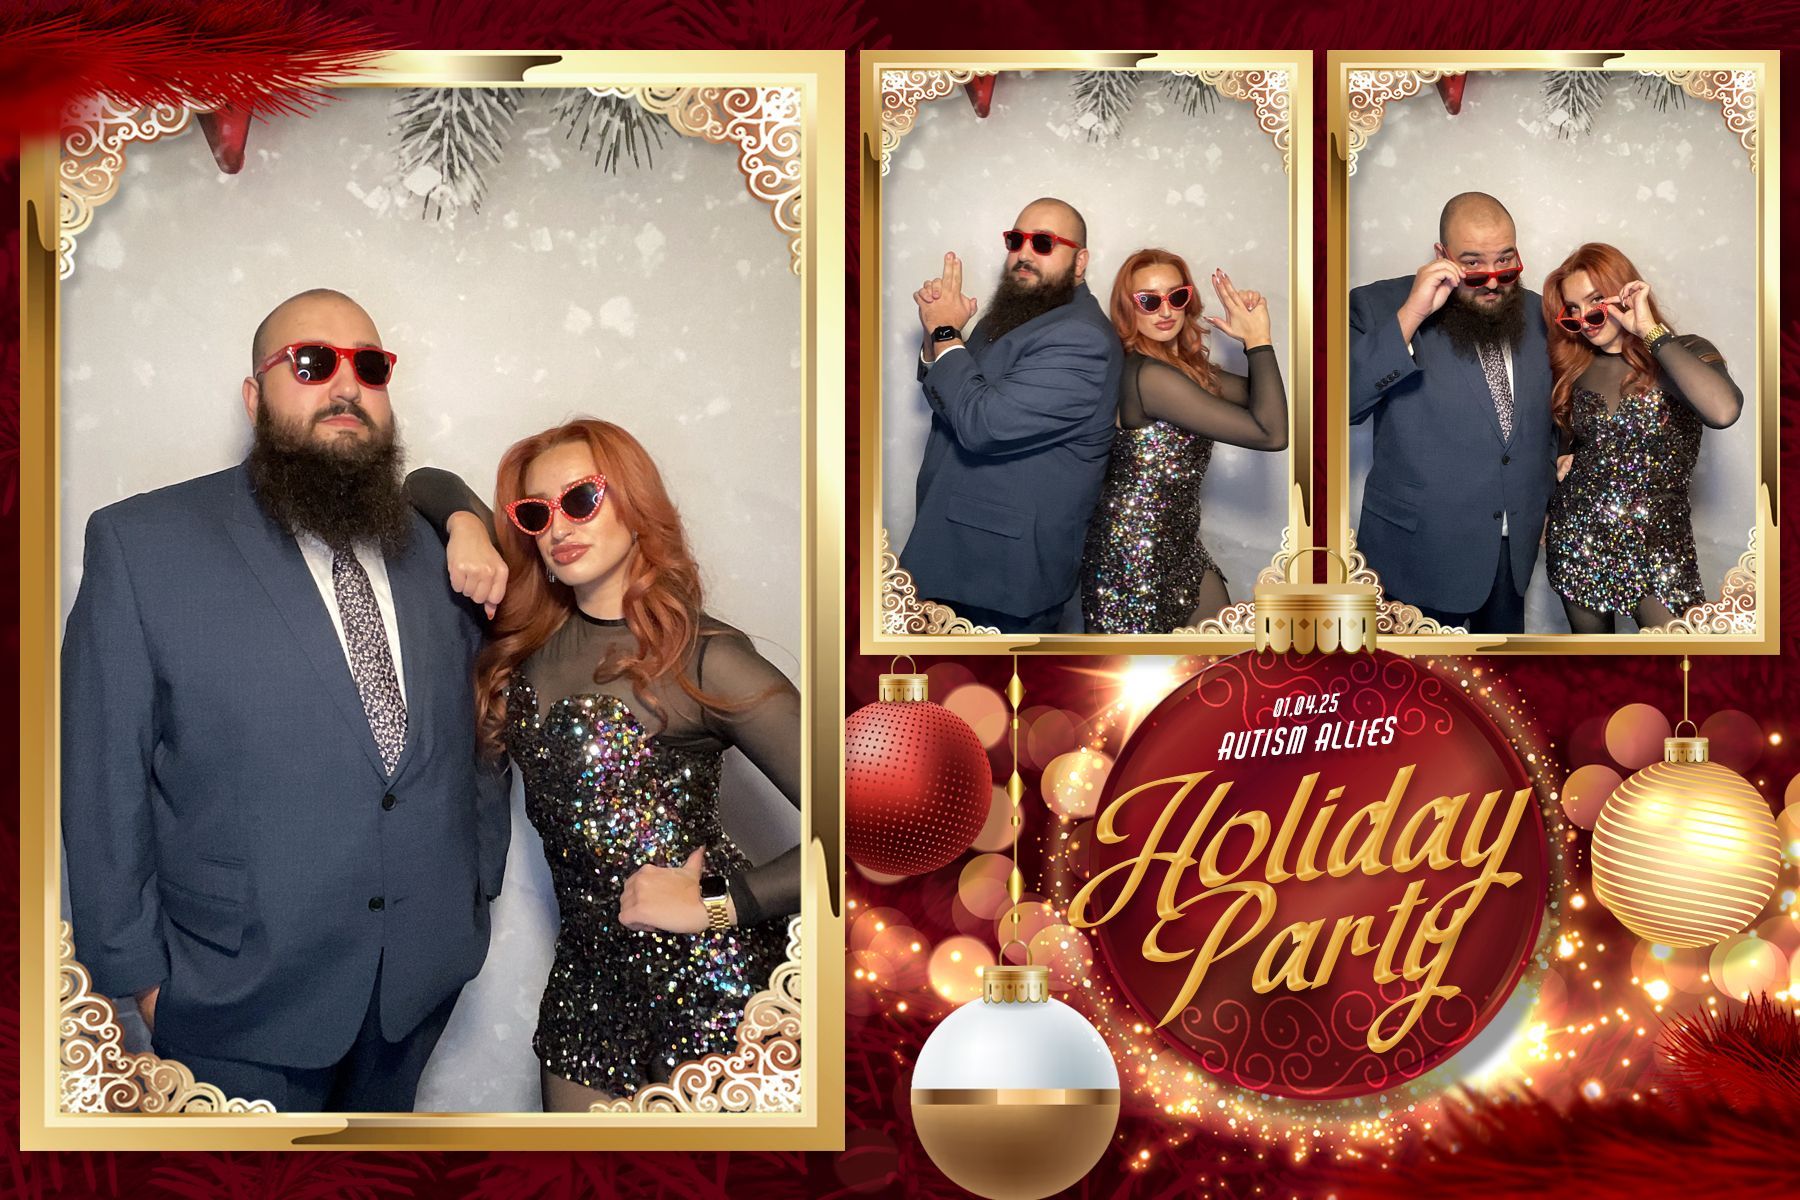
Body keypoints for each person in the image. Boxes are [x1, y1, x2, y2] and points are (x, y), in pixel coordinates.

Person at [60, 289, 511, 1112]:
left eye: (369, 366)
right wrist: (140, 981)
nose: (345, 386)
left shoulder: (438, 547)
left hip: (416, 984)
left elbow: (480, 729)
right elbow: (102, 781)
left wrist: (477, 887)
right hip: (234, 1003)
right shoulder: (142, 545)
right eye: (311, 363)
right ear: (253, 395)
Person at [405, 418, 801, 1112]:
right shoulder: (530, 633)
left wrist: (719, 904)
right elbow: (424, 483)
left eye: (581, 499)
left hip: (716, 995)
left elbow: (877, 829)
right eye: (536, 513)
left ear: (634, 501)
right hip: (587, 993)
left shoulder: (705, 657)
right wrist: (467, 526)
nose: (558, 526)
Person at [899, 196, 1123, 633]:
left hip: (1002, 577)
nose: (1024, 253)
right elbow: (952, 396)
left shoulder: (1082, 337)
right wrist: (936, 335)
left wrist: (947, 331)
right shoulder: (1017, 311)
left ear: (1080, 262)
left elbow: (982, 424)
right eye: (1015, 240)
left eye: (1043, 243)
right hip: (953, 552)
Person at [1349, 192, 1558, 634]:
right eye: (1473, 264)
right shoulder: (1380, 306)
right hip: (1415, 553)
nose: (1492, 280)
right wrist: (1413, 313)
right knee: (1409, 678)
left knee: (1499, 677)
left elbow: (1560, 406)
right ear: (1441, 255)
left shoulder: (1541, 312)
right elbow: (1340, 405)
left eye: (1505, 261)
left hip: (1508, 554)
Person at [1079, 250, 1287, 633]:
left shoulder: (1183, 370)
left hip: (1182, 545)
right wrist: (1259, 341)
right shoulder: (1149, 378)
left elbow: (1263, 400)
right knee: (1142, 672)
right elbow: (1270, 433)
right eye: (1148, 300)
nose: (1165, 311)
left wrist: (1252, 336)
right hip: (1133, 560)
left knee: (1216, 660)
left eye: (1176, 297)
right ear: (1127, 308)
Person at [1541, 243, 1743, 633]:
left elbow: (1723, 411)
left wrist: (1650, 332)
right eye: (1573, 309)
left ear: (1624, 291)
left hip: (1659, 548)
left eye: (1596, 300)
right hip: (1578, 538)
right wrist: (1562, 464)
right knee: (1596, 664)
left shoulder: (1685, 352)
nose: (1586, 319)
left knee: (1679, 660)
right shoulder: (1576, 369)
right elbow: (1569, 443)